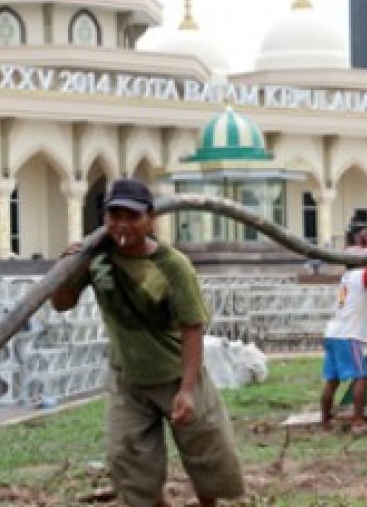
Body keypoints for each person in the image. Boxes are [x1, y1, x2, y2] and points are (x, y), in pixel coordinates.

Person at [51, 178, 244, 507]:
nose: (122, 224)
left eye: (132, 216)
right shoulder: (97, 259)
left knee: (208, 457)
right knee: (131, 466)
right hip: (129, 381)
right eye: (115, 215)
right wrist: (66, 267)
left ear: (150, 219)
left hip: (176, 374)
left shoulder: (173, 265)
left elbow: (192, 328)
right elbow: (61, 302)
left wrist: (186, 389)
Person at [320, 247, 367, 434]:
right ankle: (358, 421)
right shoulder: (363, 274)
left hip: (333, 332)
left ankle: (325, 420)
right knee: (361, 375)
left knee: (332, 379)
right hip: (349, 334)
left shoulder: (347, 277)